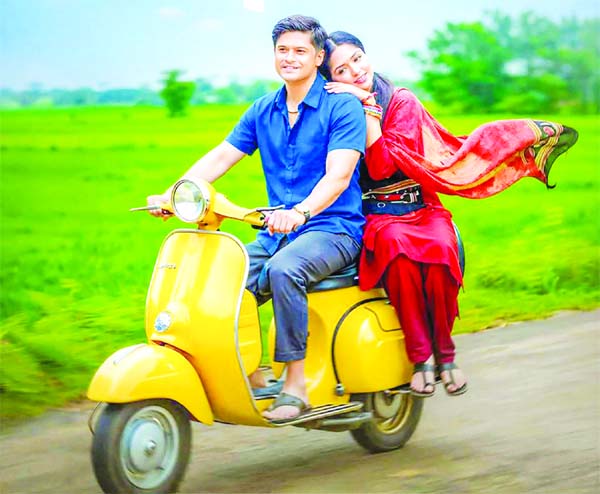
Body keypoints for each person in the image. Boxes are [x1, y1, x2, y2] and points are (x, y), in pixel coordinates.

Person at [320, 31, 578, 397]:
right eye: (342, 70)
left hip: (421, 207)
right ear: (331, 80)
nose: (355, 71)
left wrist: (371, 109)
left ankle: (446, 354)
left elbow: (386, 165)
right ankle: (421, 358)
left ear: (367, 55)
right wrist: (361, 107)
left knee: (442, 252)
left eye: (357, 59)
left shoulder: (401, 101)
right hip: (378, 214)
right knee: (398, 256)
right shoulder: (337, 109)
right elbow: (375, 172)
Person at [147, 17, 366, 421]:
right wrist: (173, 194)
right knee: (221, 280)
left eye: (300, 50)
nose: (289, 58)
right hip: (275, 232)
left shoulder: (342, 106)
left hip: (333, 229)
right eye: (282, 50)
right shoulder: (264, 109)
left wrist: (300, 211)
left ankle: (296, 386)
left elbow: (338, 176)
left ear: (319, 56)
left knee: (285, 270)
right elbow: (221, 156)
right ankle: (251, 375)